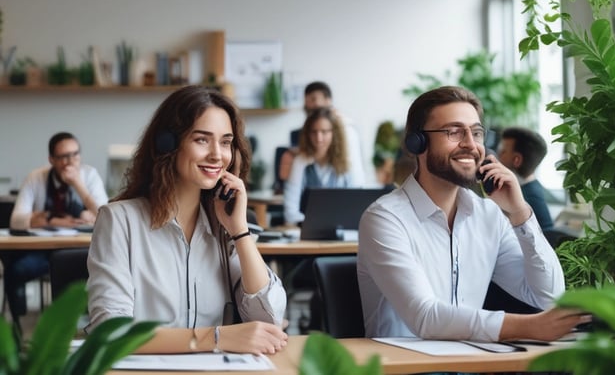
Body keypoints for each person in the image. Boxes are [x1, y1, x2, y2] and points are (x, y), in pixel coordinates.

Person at [357, 86, 588, 342]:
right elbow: (425, 317)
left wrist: (520, 213)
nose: (470, 144)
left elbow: (548, 296)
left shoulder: (488, 214)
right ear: (417, 143)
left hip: (470, 363)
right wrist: (529, 327)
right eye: (454, 132)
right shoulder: (385, 218)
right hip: (406, 368)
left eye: (476, 133)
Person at [86, 85, 288, 355]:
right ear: (167, 144)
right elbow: (111, 333)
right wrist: (216, 338)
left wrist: (240, 232)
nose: (218, 155)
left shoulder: (225, 226)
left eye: (226, 142)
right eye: (202, 139)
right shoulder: (120, 221)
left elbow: (269, 321)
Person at [4, 131, 108, 326]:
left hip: (79, 250)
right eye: (63, 157)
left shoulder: (89, 175)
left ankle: (82, 323)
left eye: (75, 154)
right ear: (51, 159)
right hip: (43, 252)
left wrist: (78, 185)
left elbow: (105, 215)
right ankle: (18, 328)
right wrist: (50, 218)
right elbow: (16, 220)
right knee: (16, 269)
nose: (70, 162)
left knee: (91, 269)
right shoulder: (36, 178)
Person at [278, 81, 366, 192]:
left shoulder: (345, 128)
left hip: (349, 188)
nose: (309, 105)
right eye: (307, 101)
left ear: (328, 100)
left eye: (314, 99)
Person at [283, 107, 364, 226]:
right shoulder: (300, 162)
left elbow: (356, 204)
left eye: (324, 132)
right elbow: (290, 212)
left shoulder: (346, 163)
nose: (319, 138)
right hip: (307, 231)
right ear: (307, 134)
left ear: (334, 134)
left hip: (341, 230)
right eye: (314, 132)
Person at [497, 127, 555, 231]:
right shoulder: (533, 188)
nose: (498, 156)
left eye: (503, 152)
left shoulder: (523, 199)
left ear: (516, 160)